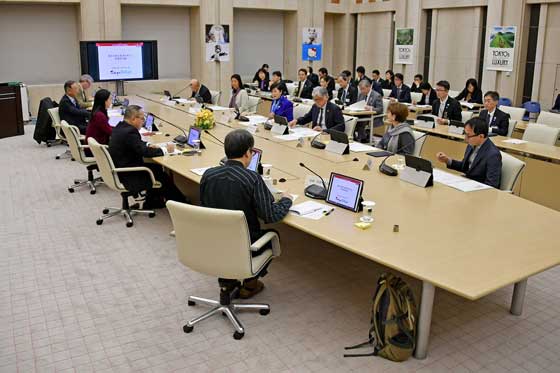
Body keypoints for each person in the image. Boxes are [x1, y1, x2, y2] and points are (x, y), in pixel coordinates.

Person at [200, 129, 293, 298]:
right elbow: (271, 216)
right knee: (273, 236)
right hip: (244, 244)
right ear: (248, 153)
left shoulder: (208, 175)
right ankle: (250, 285)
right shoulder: (252, 178)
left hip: (212, 240)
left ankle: (227, 281)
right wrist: (286, 200)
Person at [109, 105, 187, 208]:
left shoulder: (121, 127)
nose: (143, 121)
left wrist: (148, 145)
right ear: (133, 118)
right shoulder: (130, 132)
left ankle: (152, 201)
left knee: (157, 168)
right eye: (142, 118)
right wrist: (165, 150)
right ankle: (181, 204)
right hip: (129, 174)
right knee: (162, 176)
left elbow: (136, 144)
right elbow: (145, 152)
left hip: (121, 168)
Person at [436, 117, 502, 188]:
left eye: (468, 135)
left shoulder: (493, 155)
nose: (465, 138)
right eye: (465, 134)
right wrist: (447, 160)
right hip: (467, 184)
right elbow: (465, 167)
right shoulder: (472, 145)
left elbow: (492, 185)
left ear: (481, 136)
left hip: (478, 191)